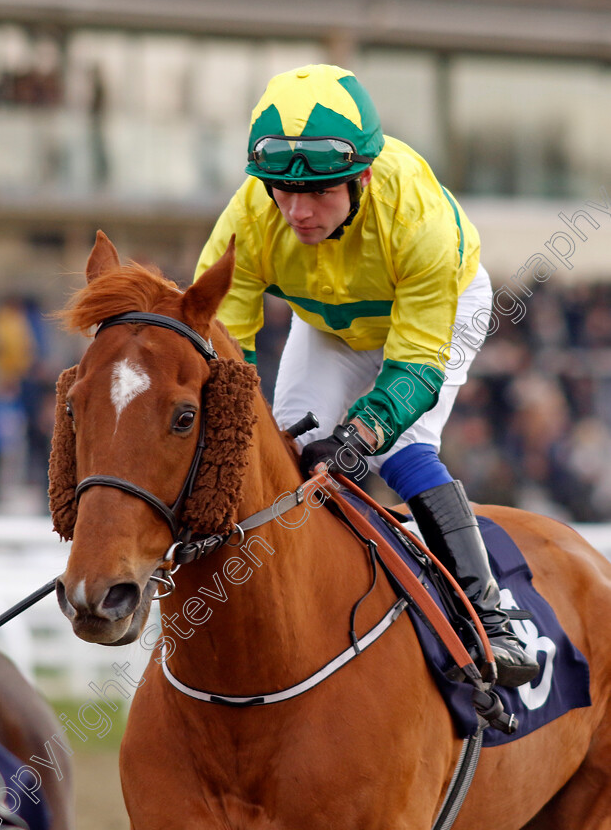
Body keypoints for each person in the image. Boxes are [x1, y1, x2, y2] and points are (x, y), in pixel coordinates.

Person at [195, 64, 538, 688]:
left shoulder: (419, 221)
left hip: (441, 310)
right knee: (286, 448)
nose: (297, 211)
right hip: (329, 322)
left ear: (363, 176)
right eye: (281, 190)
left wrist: (360, 438)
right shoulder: (249, 217)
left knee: (398, 447)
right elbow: (224, 354)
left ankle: (490, 619)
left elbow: (414, 370)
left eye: (319, 192)